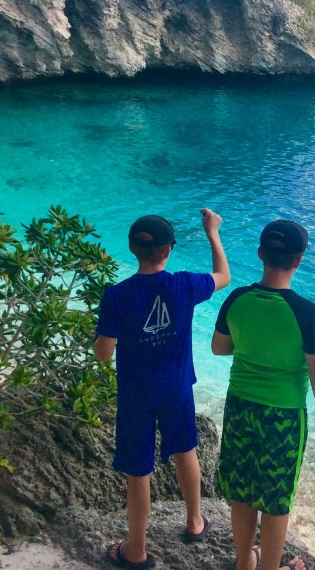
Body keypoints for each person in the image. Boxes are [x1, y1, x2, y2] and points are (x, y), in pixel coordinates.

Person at [94, 209, 230, 569]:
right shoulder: (184, 285)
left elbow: (104, 355)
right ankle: (194, 522)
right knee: (186, 450)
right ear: (167, 251)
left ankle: (135, 550)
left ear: (130, 248)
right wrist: (212, 232)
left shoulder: (117, 295)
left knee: (138, 471)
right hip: (176, 389)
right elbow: (224, 276)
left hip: (136, 395)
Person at [212, 219, 315, 570]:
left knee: (242, 492)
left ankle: (243, 563)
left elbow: (219, 348)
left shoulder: (237, 298)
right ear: (298, 260)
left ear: (261, 254)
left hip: (239, 407)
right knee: (276, 500)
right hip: (282, 416)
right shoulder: (306, 312)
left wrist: (255, 346)